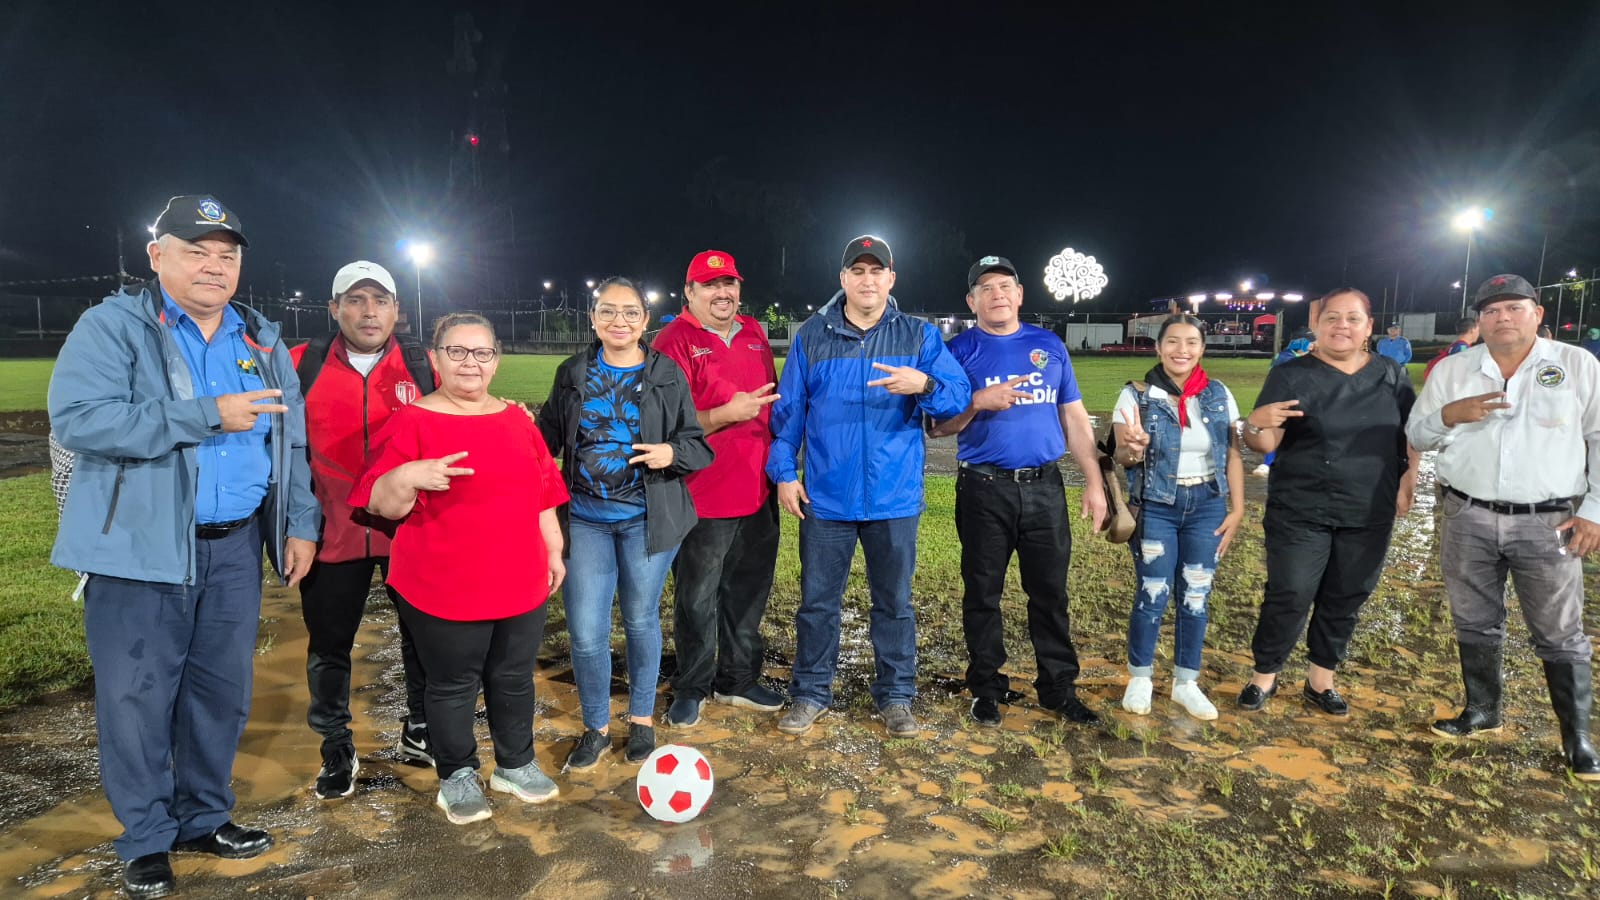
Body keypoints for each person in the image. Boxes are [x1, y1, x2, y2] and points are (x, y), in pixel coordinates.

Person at [48, 195, 318, 898]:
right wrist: (204, 415)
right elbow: (81, 419)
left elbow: (291, 442)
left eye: (227, 254)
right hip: (139, 550)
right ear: (157, 254)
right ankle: (145, 838)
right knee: (137, 699)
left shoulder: (258, 339)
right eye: (196, 250)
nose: (214, 265)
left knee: (218, 695)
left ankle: (204, 816)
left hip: (231, 552)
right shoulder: (113, 326)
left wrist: (299, 522)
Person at [351, 312, 568, 823]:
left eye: (482, 353)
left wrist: (554, 550)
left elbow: (543, 495)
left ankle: (514, 764)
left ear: (496, 360)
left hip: (519, 576)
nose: (470, 363)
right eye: (457, 352)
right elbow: (380, 504)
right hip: (442, 582)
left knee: (513, 677)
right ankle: (457, 774)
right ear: (435, 359)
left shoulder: (516, 420)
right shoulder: (412, 421)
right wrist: (409, 474)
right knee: (452, 683)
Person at [767, 235, 971, 739]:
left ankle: (896, 695)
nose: (867, 280)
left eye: (876, 271)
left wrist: (921, 385)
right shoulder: (812, 336)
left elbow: (956, 398)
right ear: (843, 280)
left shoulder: (918, 337)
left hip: (894, 499)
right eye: (857, 271)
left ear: (891, 279)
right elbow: (788, 416)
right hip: (827, 499)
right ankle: (811, 692)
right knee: (817, 602)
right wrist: (784, 474)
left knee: (894, 603)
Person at [1408, 274, 1600, 781]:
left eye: (1514, 308)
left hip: (1550, 520)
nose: (1502, 318)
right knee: (1473, 617)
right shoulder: (1453, 370)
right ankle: (1482, 710)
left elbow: (1599, 437)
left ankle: (1576, 737)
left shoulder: (1576, 365)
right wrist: (1448, 415)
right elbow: (1417, 434)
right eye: (1491, 311)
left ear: (1538, 314)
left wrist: (1595, 510)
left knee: (1560, 631)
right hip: (1466, 514)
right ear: (1479, 320)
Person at [536, 278, 712, 771]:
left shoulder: (666, 374)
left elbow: (697, 444)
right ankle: (594, 726)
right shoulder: (573, 372)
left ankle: (640, 720)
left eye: (630, 312)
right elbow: (543, 439)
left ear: (645, 320)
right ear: (592, 317)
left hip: (646, 522)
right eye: (608, 312)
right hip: (586, 521)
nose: (619, 321)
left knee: (639, 620)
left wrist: (669, 452)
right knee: (587, 631)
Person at [929, 255, 1106, 728]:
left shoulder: (1048, 346)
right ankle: (986, 687)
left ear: (1020, 294)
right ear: (972, 301)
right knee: (983, 593)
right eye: (985, 288)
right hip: (984, 488)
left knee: (1050, 594)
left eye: (1005, 285)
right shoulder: (957, 350)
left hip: (1045, 488)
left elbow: (1073, 417)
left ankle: (1057, 689)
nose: (997, 294)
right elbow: (937, 427)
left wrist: (1094, 481)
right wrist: (977, 402)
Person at [290, 261, 437, 800]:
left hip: (408, 531)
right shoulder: (300, 364)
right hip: (332, 532)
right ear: (334, 309)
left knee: (423, 637)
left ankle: (420, 727)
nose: (368, 311)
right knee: (330, 645)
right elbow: (276, 453)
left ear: (397, 310)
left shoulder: (423, 365)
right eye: (355, 300)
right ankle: (335, 745)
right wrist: (292, 524)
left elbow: (464, 419)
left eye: (380, 300)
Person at [1237, 288, 1417, 715]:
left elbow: (1411, 434)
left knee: (1347, 593)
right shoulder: (1291, 374)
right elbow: (1264, 439)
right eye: (1332, 318)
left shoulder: (1391, 374)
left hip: (1368, 503)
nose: (1342, 326)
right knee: (1290, 591)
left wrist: (1409, 479)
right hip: (1301, 504)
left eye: (1353, 318)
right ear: (1316, 326)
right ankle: (1265, 674)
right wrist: (1253, 425)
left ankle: (1321, 680)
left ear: (1368, 327)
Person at [653, 251, 784, 727]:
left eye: (729, 283)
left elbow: (771, 404)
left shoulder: (753, 334)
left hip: (757, 489)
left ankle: (739, 680)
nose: (722, 292)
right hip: (701, 494)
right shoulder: (673, 341)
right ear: (689, 291)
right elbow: (666, 426)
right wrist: (723, 416)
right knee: (696, 598)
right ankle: (692, 685)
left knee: (749, 591)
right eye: (709, 285)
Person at [1110, 315, 1246, 720]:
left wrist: (1237, 509)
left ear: (1202, 348)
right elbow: (1121, 454)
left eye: (1190, 342)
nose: (1181, 350)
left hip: (1207, 504)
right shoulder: (1135, 396)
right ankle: (1141, 676)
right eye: (1172, 341)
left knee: (1196, 596)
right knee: (1153, 592)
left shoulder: (1219, 394)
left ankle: (1186, 682)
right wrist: (1133, 449)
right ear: (1158, 347)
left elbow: (1233, 454)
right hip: (1157, 506)